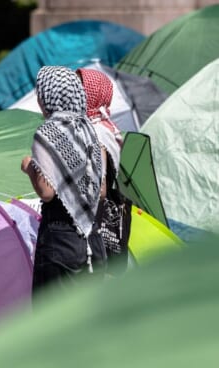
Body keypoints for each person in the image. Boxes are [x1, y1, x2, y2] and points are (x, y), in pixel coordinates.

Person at [20, 66, 106, 295]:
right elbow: (102, 190)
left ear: (48, 95)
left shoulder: (48, 133)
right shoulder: (89, 129)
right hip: (93, 239)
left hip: (59, 239)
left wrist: (29, 167)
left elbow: (46, 192)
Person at [77, 68, 130, 275]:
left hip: (93, 218)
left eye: (82, 89)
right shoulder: (107, 127)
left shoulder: (97, 131)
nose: (76, 94)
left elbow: (100, 186)